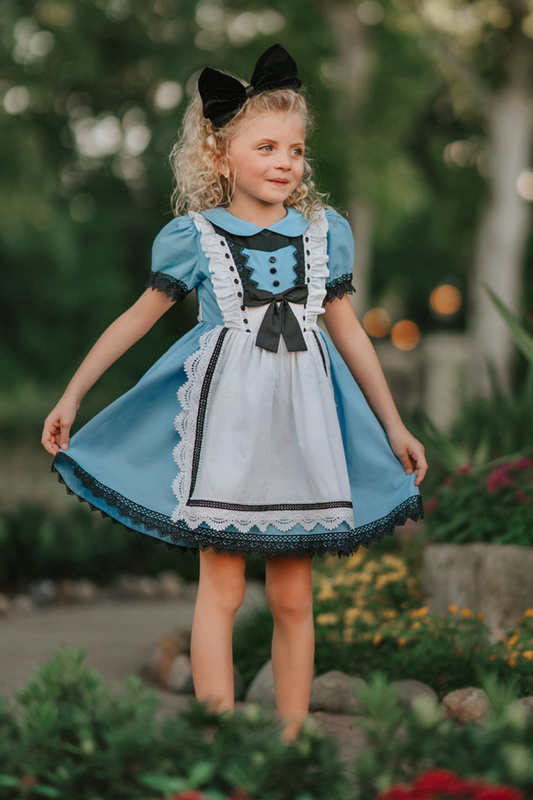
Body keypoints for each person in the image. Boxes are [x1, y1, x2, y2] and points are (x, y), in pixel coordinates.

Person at [42, 44, 427, 740]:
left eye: (296, 150)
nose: (286, 162)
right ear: (221, 158)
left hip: (302, 432)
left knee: (293, 598)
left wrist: (394, 424)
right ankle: (220, 744)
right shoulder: (194, 237)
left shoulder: (324, 235)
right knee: (219, 591)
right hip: (226, 428)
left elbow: (351, 336)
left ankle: (290, 746)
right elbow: (135, 320)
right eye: (267, 147)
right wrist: (73, 395)